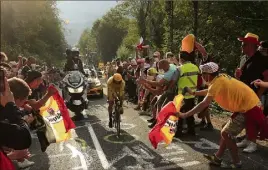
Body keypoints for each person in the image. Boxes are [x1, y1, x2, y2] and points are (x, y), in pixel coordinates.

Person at [178, 62, 267, 168]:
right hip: (250, 104)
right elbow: (210, 91)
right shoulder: (219, 78)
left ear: (207, 75)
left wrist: (185, 115)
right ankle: (218, 158)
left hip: (249, 108)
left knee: (226, 133)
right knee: (226, 130)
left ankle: (237, 163)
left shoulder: (216, 83)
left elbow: (204, 103)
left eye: (202, 74)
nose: (201, 76)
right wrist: (194, 93)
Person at [235, 33, 268, 152]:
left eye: (244, 44)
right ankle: (248, 139)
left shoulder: (263, 59)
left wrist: (258, 96)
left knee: (254, 119)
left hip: (257, 96)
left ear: (251, 45)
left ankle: (253, 143)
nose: (242, 47)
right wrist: (238, 76)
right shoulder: (247, 59)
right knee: (248, 118)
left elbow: (266, 78)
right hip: (247, 95)